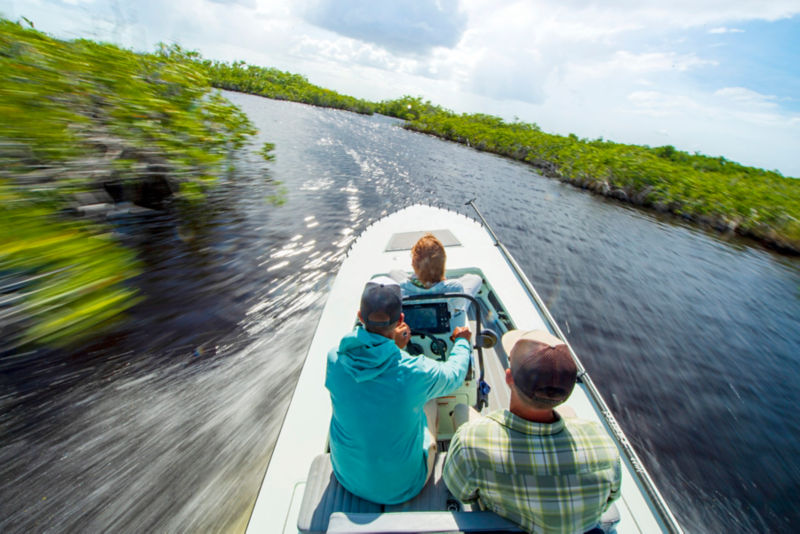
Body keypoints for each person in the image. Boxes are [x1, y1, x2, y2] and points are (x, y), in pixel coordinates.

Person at [443, 330, 621, 534]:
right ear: (567, 391)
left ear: (509, 377)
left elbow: (461, 492)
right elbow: (608, 501)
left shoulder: (470, 440)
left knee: (461, 410)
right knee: (567, 414)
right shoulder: (602, 443)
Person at [326, 276, 473, 504]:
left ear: (359, 317)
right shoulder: (415, 371)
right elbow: (454, 375)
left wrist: (393, 347)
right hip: (404, 486)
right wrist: (462, 342)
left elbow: (375, 377)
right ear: (401, 319)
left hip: (347, 476)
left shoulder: (334, 359)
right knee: (430, 401)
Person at [390, 233, 481, 327]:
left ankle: (419, 277)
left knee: (394, 272)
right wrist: (443, 282)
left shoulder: (401, 288)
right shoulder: (455, 288)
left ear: (413, 263)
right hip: (449, 324)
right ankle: (431, 277)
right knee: (475, 279)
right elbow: (458, 309)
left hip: (413, 328)